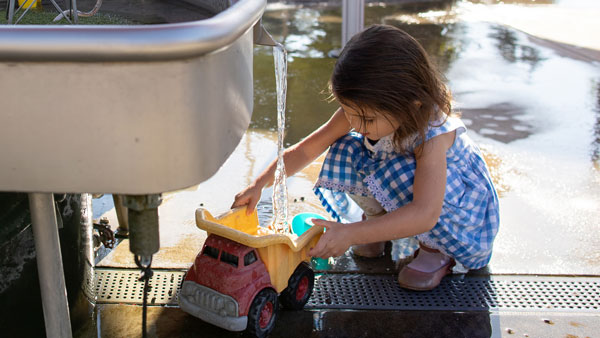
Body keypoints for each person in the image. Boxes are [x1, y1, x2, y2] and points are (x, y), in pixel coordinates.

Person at [232, 24, 499, 291]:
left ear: (410, 103)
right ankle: (376, 223)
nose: (357, 124)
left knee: (402, 175)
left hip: (454, 212)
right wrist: (260, 183)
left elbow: (425, 213)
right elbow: (306, 150)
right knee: (349, 149)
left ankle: (434, 250)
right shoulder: (362, 109)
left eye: (368, 119)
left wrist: (350, 234)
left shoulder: (434, 134)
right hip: (415, 196)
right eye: (350, 113)